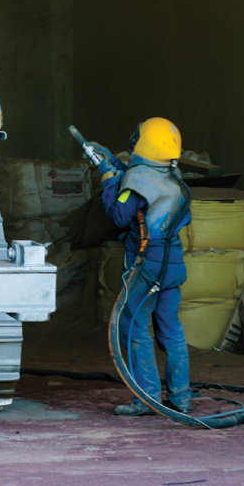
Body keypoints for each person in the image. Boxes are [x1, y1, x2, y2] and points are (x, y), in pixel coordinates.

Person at [90, 118, 193, 416]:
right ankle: (181, 399)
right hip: (172, 262)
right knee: (171, 330)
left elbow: (119, 213)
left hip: (146, 264)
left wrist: (108, 178)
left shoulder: (136, 181)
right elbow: (143, 183)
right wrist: (111, 161)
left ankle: (146, 398)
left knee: (134, 326)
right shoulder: (174, 176)